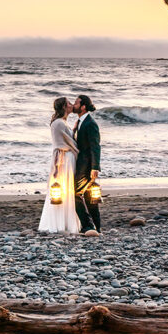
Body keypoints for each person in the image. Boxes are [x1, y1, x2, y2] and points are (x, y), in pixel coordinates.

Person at [38, 97, 80, 234]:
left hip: (66, 157)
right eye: (69, 103)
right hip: (64, 159)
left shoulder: (63, 123)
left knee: (68, 188)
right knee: (64, 187)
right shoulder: (59, 123)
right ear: (63, 107)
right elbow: (68, 143)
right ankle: (60, 222)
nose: (71, 105)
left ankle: (66, 220)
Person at [72, 94, 101, 236]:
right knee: (88, 196)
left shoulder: (90, 123)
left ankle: (87, 225)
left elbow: (96, 146)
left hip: (87, 165)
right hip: (83, 164)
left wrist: (95, 167)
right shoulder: (81, 122)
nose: (74, 105)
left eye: (76, 103)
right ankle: (97, 226)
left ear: (83, 106)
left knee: (75, 193)